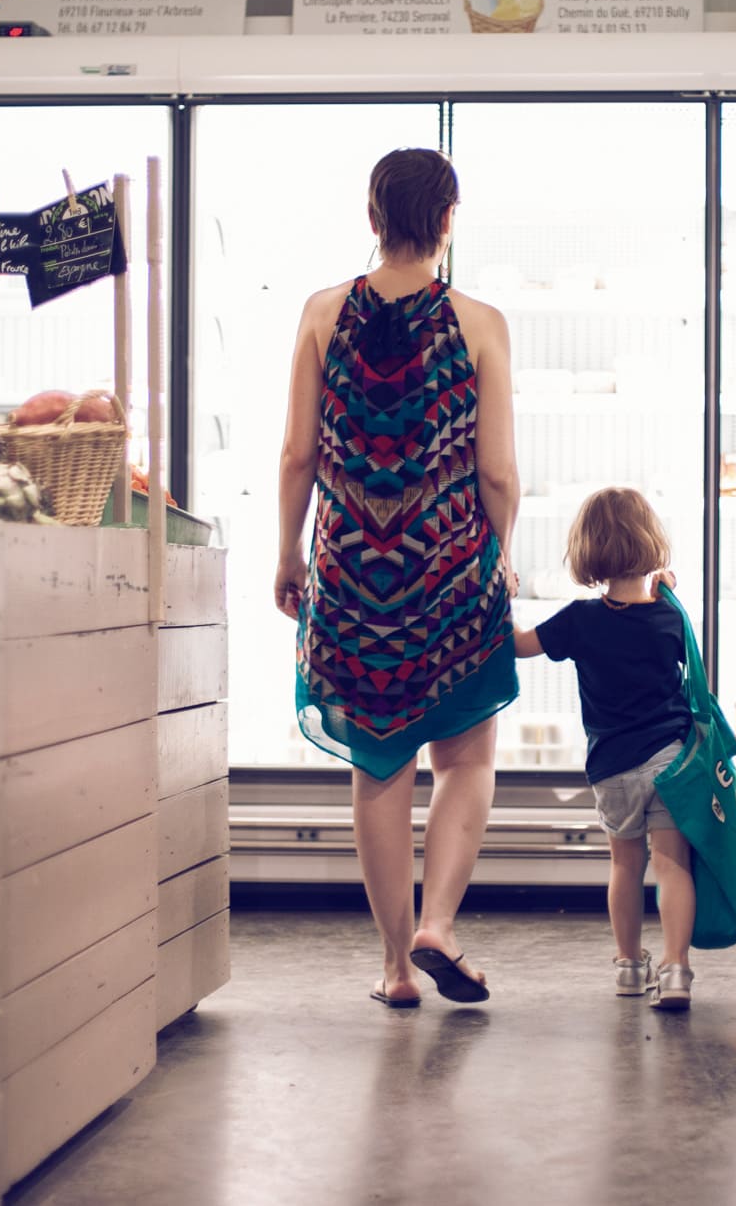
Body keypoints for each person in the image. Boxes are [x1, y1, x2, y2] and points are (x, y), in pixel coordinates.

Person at [274, 148, 519, 1009]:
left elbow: (300, 453)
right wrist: (503, 549)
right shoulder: (481, 322)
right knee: (467, 753)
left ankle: (391, 968)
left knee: (378, 765)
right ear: (448, 218)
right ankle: (437, 925)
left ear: (372, 218)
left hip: (348, 568)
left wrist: (288, 552)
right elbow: (496, 473)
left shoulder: (319, 313)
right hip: (450, 565)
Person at [513, 487, 698, 1010]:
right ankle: (677, 968)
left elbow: (518, 646)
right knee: (672, 866)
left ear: (587, 550)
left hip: (612, 766)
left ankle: (628, 967)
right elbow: (668, 626)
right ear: (651, 541)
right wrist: (669, 588)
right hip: (671, 758)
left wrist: (499, 600)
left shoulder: (580, 620)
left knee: (624, 866)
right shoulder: (670, 617)